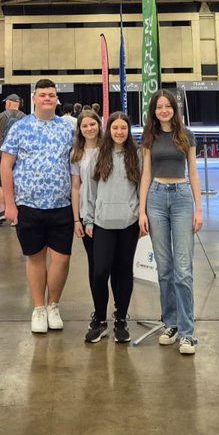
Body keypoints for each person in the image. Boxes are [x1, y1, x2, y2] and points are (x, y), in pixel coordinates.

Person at [0, 79, 75, 335]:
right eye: (42, 94)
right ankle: (39, 308)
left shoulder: (67, 129)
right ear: (33, 98)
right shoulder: (20, 128)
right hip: (28, 205)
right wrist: (9, 204)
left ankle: (54, 304)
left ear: (57, 99)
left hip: (61, 205)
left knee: (62, 259)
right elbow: (6, 166)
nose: (47, 98)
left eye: (51, 95)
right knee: (35, 257)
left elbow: (78, 167)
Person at [138, 89, 203, 355]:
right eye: (159, 107)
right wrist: (141, 210)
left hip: (181, 198)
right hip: (155, 198)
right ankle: (171, 324)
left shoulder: (186, 135)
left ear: (174, 109)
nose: (163, 110)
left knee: (183, 269)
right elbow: (145, 174)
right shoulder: (149, 137)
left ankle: (187, 332)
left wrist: (199, 209)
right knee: (164, 268)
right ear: (153, 111)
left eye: (168, 106)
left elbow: (194, 172)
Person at [83, 112, 142, 344]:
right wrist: (88, 220)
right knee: (100, 273)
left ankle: (120, 320)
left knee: (123, 272)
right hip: (102, 224)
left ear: (128, 131)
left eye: (123, 128)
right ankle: (99, 319)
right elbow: (89, 192)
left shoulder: (136, 156)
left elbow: (141, 189)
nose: (119, 132)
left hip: (129, 224)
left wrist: (140, 216)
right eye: (115, 128)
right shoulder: (98, 156)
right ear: (109, 130)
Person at [69, 109, 102, 305]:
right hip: (85, 214)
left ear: (99, 125)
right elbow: (75, 187)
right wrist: (76, 219)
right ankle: (98, 308)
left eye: (92, 124)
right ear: (79, 129)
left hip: (109, 213)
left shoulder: (109, 148)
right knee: (94, 263)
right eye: (85, 126)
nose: (89, 129)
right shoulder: (77, 154)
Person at [0, 93, 24, 211]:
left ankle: (2, 211)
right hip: (19, 155)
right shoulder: (25, 117)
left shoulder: (0, 116)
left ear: (9, 103)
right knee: (18, 184)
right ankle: (16, 213)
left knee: (1, 184)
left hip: (2, 154)